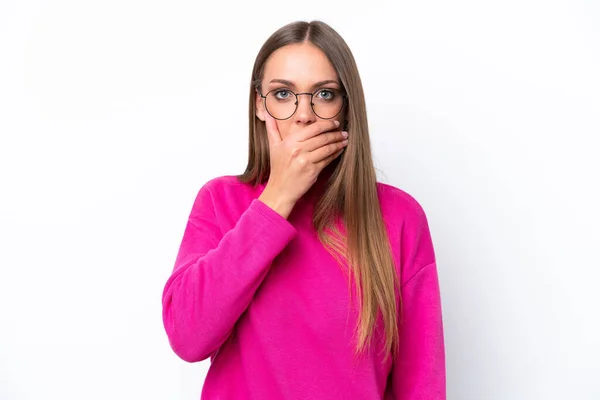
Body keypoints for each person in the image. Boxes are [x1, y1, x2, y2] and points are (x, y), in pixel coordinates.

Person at [161, 20, 446, 399]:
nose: (303, 115)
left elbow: (421, 384)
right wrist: (276, 199)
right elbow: (187, 337)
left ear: (346, 109)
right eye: (283, 94)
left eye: (324, 94)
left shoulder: (399, 217)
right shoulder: (220, 202)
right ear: (259, 107)